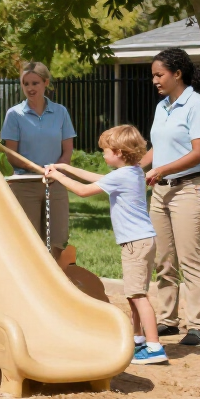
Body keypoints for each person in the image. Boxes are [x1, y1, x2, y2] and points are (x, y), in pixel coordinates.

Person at [45, 126, 167, 365]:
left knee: (138, 296)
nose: (102, 154)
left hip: (135, 243)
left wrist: (57, 176)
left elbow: (82, 191)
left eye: (106, 150)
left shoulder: (123, 176)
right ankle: (139, 340)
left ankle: (155, 347)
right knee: (133, 294)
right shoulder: (132, 172)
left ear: (119, 153)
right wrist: (66, 167)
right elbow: (97, 179)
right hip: (142, 241)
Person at [143, 47, 200, 347]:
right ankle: (168, 320)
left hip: (189, 189)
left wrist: (161, 170)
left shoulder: (197, 106)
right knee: (163, 259)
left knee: (190, 259)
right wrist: (137, 169)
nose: (155, 81)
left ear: (177, 74)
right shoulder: (164, 107)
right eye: (153, 76)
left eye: (159, 75)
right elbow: (157, 148)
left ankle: (198, 326)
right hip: (161, 191)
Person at [0, 62, 77, 258]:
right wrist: (39, 171)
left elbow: (67, 150)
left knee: (58, 238)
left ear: (45, 83)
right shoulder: (14, 114)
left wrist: (55, 172)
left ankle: (57, 281)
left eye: (35, 83)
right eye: (26, 84)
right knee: (28, 239)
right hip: (24, 184)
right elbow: (12, 156)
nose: (30, 88)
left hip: (56, 182)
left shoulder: (61, 112)